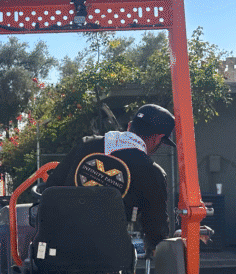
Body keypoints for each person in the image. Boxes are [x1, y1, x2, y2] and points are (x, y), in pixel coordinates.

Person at [44, 104, 174, 256]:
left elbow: (52, 186)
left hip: (56, 248)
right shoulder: (152, 172)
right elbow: (156, 228)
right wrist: (153, 244)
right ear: (158, 138)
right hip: (108, 259)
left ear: (130, 126)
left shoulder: (86, 144)